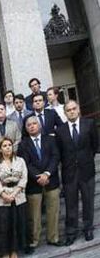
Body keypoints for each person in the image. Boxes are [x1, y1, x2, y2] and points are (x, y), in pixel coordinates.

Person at [56, 100, 99, 244]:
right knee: (70, 204)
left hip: (87, 171)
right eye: (68, 110)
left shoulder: (89, 124)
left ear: (78, 109)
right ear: (65, 113)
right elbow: (60, 153)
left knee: (88, 202)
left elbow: (95, 146)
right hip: (69, 174)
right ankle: (71, 232)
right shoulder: (60, 130)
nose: (72, 111)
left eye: (74, 108)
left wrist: (85, 160)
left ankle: (88, 229)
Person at [18, 116, 62, 252]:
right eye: (29, 125)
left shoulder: (50, 139)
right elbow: (26, 163)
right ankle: (34, 241)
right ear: (25, 128)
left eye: (34, 123)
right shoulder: (23, 144)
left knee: (53, 211)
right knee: (34, 215)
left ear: (39, 125)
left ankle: (53, 238)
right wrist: (39, 176)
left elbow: (56, 157)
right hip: (33, 183)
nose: (32, 126)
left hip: (51, 180)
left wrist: (47, 173)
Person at [0, 137, 28, 258]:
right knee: (4, 226)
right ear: (0, 149)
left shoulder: (20, 160)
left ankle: (14, 250)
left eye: (9, 145)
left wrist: (15, 193)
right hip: (3, 198)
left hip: (18, 196)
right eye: (4, 146)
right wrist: (4, 194)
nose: (8, 147)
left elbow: (24, 178)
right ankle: (5, 252)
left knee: (17, 224)